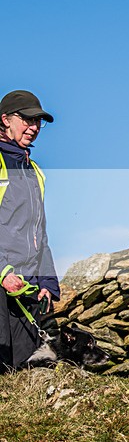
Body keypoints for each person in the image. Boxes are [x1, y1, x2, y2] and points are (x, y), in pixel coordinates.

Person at [0, 90, 60, 372]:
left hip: (26, 287)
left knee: (27, 375)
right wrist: (2, 272)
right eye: (26, 119)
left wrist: (47, 282)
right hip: (3, 283)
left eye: (38, 122)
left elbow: (40, 233)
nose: (34, 128)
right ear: (5, 120)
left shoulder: (33, 170)